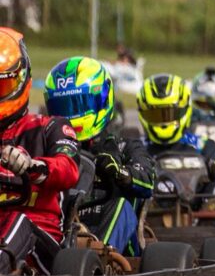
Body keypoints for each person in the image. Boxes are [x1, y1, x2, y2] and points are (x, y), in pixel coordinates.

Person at [44, 57, 155, 255]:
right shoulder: (51, 150)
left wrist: (121, 173)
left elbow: (148, 180)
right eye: (65, 107)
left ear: (103, 99)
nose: (73, 115)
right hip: (60, 225)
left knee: (122, 205)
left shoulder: (124, 146)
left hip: (115, 241)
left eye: (79, 104)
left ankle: (96, 258)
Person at [0, 28, 80, 274]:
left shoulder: (50, 127)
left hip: (41, 239)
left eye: (2, 86)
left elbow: (68, 170)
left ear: (22, 78)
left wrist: (33, 166)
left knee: (18, 222)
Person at [137, 74, 215, 211]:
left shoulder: (204, 146)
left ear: (185, 110)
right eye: (155, 114)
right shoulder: (137, 147)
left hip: (196, 209)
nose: (164, 122)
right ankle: (150, 209)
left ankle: (209, 212)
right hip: (148, 213)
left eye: (170, 114)